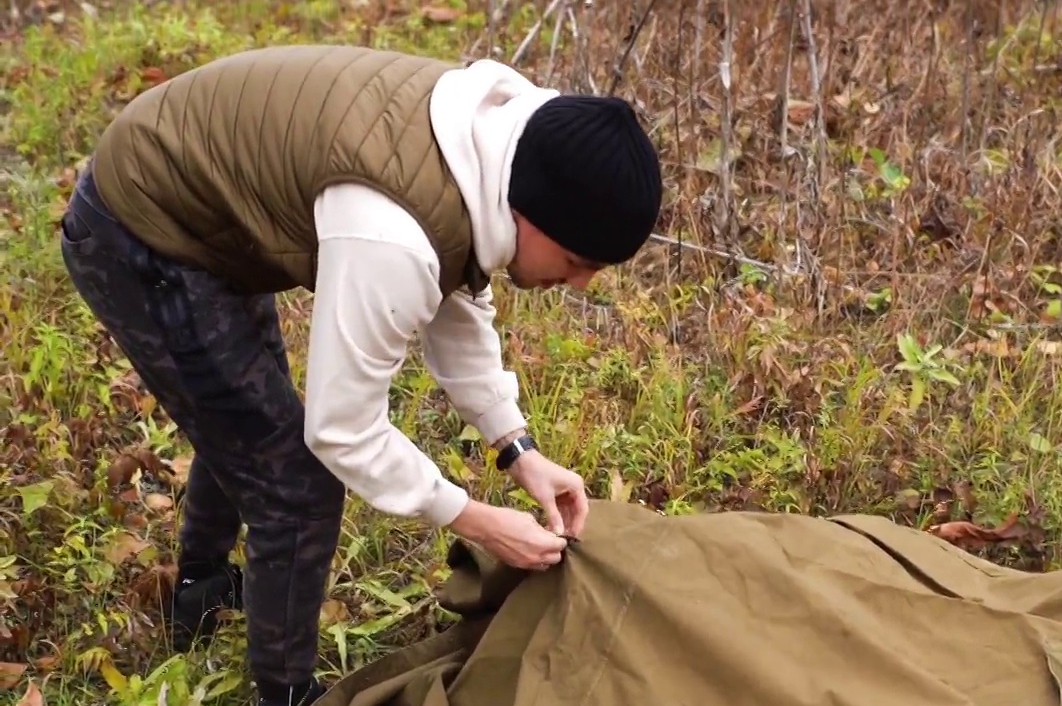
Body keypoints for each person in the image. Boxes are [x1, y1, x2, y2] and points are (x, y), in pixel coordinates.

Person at [58, 44, 664, 706]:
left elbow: (458, 294)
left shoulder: (497, 149)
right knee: (296, 481)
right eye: (578, 259)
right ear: (531, 209)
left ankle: (201, 595)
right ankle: (287, 694)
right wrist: (475, 520)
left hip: (204, 207)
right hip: (140, 227)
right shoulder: (391, 234)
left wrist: (518, 449)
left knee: (243, 416)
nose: (579, 283)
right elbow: (343, 432)